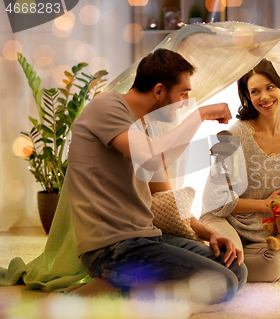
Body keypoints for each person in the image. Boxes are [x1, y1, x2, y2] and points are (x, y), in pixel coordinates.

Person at [66, 48, 247, 303]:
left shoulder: (144, 127)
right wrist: (200, 114)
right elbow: (149, 157)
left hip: (146, 238)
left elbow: (164, 195)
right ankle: (109, 286)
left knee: (235, 269)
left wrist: (210, 234)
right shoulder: (107, 106)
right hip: (110, 249)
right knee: (223, 284)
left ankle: (126, 284)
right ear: (159, 90)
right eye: (183, 94)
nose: (186, 102)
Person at [201, 59, 280, 282]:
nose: (264, 97)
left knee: (279, 265)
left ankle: (214, 258)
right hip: (224, 218)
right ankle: (208, 253)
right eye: (255, 91)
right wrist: (265, 205)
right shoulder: (235, 135)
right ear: (248, 97)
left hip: (266, 230)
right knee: (233, 255)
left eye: (270, 87)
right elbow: (215, 200)